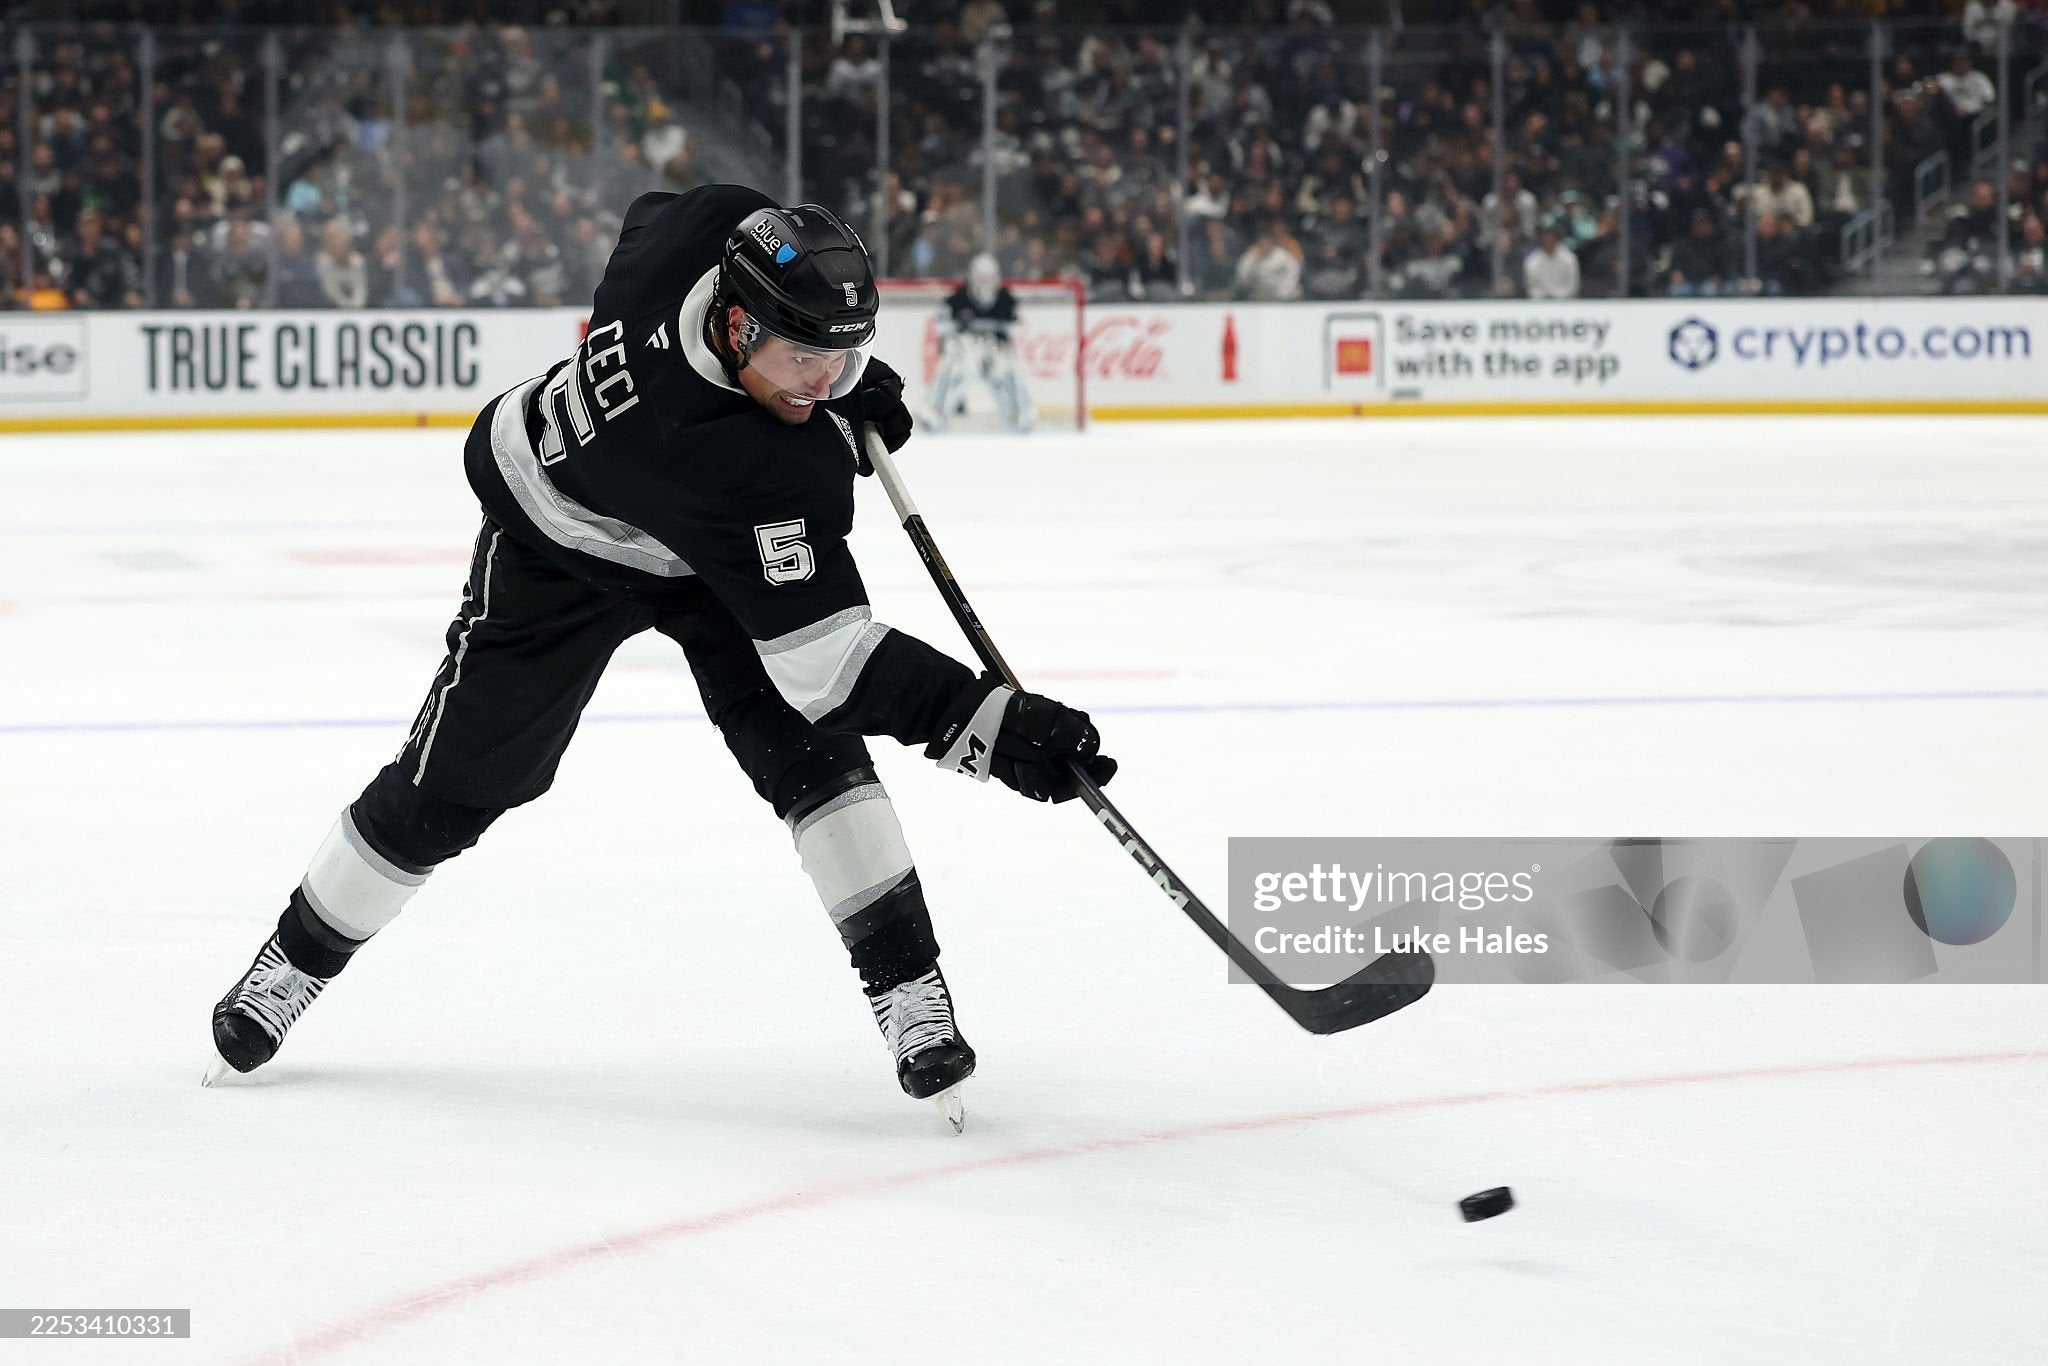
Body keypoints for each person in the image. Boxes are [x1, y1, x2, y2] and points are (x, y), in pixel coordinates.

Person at [203, 186, 1115, 1128]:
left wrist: (825, 387)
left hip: (701, 549)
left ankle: (908, 991)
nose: (824, 382)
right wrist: (991, 726)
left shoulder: (703, 230)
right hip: (558, 538)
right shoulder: (745, 465)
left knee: (813, 757)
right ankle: (291, 965)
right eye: (805, 358)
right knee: (459, 784)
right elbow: (834, 668)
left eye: (844, 361)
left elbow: (649, 210)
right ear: (732, 321)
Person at [924, 253, 1038, 433]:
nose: (985, 282)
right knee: (951, 371)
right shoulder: (957, 299)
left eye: (989, 277)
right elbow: (942, 327)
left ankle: (1020, 416)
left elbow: (1014, 329)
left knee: (1010, 373)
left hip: (995, 351)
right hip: (966, 350)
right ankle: (935, 414)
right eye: (981, 277)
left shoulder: (1006, 300)